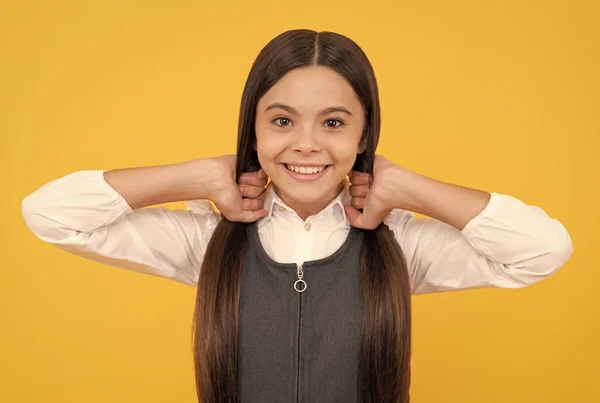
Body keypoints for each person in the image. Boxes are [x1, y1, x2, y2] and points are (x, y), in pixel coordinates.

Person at [21, 29, 573, 403]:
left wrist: (407, 187)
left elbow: (542, 249)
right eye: (282, 121)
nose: (306, 144)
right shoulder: (210, 241)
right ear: (254, 129)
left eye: (333, 123)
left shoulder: (400, 246)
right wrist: (193, 176)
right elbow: (50, 214)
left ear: (363, 136)